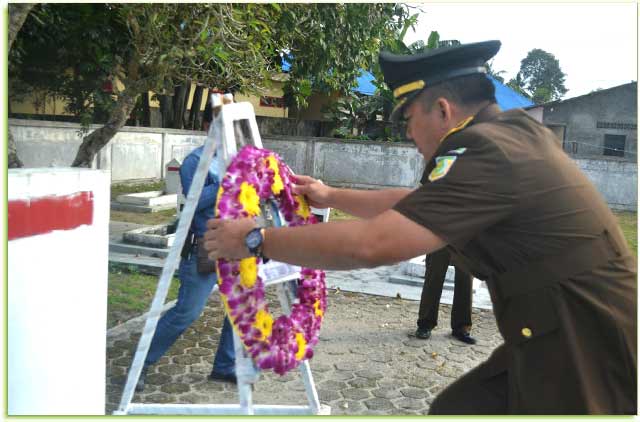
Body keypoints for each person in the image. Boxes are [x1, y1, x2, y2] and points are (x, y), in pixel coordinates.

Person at [202, 40, 636, 414]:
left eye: (407, 120)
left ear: (442, 110)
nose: (409, 135)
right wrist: (331, 196)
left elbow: (372, 246)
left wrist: (256, 239)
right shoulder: (510, 132)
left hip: (587, 337)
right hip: (555, 327)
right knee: (455, 410)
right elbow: (419, 205)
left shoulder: (486, 149)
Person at [136, 93, 236, 392]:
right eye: (220, 123)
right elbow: (191, 204)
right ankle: (141, 363)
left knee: (238, 308)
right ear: (208, 125)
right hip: (203, 247)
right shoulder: (195, 161)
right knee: (186, 312)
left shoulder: (238, 158)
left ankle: (224, 366)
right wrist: (223, 185)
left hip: (234, 243)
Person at [416, 248, 475, 344]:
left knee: (466, 279)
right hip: (440, 236)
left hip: (467, 237)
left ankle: (461, 327)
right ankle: (425, 323)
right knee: (434, 275)